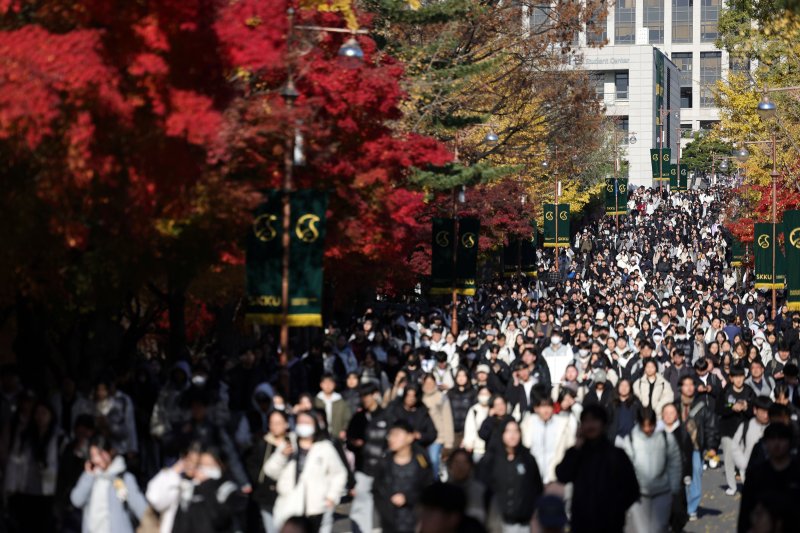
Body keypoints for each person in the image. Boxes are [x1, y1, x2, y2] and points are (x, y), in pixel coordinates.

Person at [555, 404, 639, 533]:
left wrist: (615, 509)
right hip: (581, 524)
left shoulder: (616, 454)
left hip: (610, 524)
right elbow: (562, 475)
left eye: (594, 420)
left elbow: (632, 490)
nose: (590, 425)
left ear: (603, 424)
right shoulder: (577, 452)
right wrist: (577, 446)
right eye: (586, 421)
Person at [264, 411, 348, 530]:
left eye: (307, 422)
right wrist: (281, 456)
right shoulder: (288, 443)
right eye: (300, 422)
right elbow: (270, 471)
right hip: (289, 506)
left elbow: (339, 473)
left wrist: (332, 497)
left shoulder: (324, 447)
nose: (303, 425)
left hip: (316, 508)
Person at [69, 434, 147, 533]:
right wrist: (88, 475)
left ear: (110, 451)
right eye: (93, 456)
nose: (97, 459)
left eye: (100, 454)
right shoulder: (91, 477)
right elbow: (77, 500)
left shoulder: (124, 478)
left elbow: (141, 508)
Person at [621, 406, 682, 533]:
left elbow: (675, 462)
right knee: (642, 530)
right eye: (644, 426)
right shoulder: (631, 440)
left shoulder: (665, 438)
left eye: (651, 425)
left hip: (663, 491)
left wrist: (674, 486)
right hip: (638, 494)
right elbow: (625, 469)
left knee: (659, 528)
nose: (648, 429)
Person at [477, 418, 543, 533]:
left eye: (516, 431)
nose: (512, 435)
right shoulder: (491, 459)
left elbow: (537, 487)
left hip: (523, 522)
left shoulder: (527, 459)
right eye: (508, 431)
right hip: (497, 522)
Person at [373, 420, 435, 533]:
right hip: (391, 523)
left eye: (396, 434)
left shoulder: (422, 461)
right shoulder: (384, 462)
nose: (391, 438)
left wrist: (408, 498)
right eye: (390, 435)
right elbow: (377, 489)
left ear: (410, 437)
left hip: (416, 522)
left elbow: (428, 487)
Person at [737, 423, 800, 533]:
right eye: (772, 439)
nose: (776, 443)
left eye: (781, 438)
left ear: (789, 442)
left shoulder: (797, 472)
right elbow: (745, 510)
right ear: (765, 443)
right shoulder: (756, 473)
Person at [171, 447, 248, 533]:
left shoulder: (227, 488)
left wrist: (206, 485)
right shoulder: (190, 490)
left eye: (210, 465)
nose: (205, 470)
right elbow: (181, 523)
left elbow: (220, 519)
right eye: (202, 465)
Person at [347, 383, 390, 533]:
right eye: (362, 396)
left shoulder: (386, 416)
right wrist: (355, 443)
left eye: (367, 395)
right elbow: (349, 440)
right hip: (363, 468)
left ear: (375, 394)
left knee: (387, 507)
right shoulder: (358, 418)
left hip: (383, 469)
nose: (364, 399)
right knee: (361, 507)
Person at [674, 375, 719, 520]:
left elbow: (710, 427)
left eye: (691, 384)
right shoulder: (674, 406)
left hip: (695, 448)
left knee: (695, 478)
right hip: (677, 448)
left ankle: (692, 508)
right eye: (685, 384)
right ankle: (680, 506)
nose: (688, 387)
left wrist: (712, 447)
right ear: (680, 387)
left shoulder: (701, 407)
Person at [243, 410, 291, 533]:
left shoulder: (292, 443)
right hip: (266, 494)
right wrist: (259, 480)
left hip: (287, 495)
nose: (274, 426)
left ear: (286, 424)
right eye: (272, 423)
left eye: (278, 423)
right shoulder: (262, 443)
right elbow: (252, 466)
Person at [717, 364, 755, 496]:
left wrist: (746, 407)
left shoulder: (749, 391)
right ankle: (732, 485)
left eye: (741, 376)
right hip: (728, 429)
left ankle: (747, 483)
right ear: (731, 378)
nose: (739, 379)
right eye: (735, 377)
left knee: (746, 458)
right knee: (729, 459)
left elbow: (754, 411)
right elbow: (718, 409)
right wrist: (731, 408)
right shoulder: (725, 390)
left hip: (746, 430)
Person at [146, 443, 201, 533]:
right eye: (189, 460)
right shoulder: (175, 482)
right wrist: (174, 472)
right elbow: (154, 498)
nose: (192, 466)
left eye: (197, 463)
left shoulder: (202, 485)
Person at [519, 396, 573, 483]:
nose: (546, 410)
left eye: (549, 406)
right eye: (543, 406)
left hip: (554, 477)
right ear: (536, 408)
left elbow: (570, 448)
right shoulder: (528, 424)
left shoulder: (563, 425)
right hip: (532, 476)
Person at [729, 395, 771, 486]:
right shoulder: (745, 426)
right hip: (749, 473)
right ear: (755, 410)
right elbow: (734, 445)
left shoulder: (775, 427)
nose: (766, 415)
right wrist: (742, 463)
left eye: (768, 412)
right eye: (763, 412)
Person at [421, 373, 455, 479]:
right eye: (426, 383)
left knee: (433, 461)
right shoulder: (419, 397)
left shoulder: (441, 397)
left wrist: (448, 442)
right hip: (421, 436)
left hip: (437, 437)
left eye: (431, 383)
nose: (429, 385)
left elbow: (447, 419)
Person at [446, 449, 487, 523]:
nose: (460, 467)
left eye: (464, 462)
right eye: (457, 462)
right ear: (450, 466)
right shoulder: (440, 493)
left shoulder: (484, 493)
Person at [313, 373, 352, 442]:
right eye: (325, 383)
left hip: (337, 435)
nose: (328, 385)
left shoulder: (340, 401)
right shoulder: (316, 401)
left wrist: (344, 430)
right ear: (321, 385)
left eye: (330, 383)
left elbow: (347, 418)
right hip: (320, 435)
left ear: (334, 385)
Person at [462, 387, 491, 462]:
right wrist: (469, 443)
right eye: (482, 394)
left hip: (491, 448)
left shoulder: (493, 409)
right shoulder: (474, 409)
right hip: (477, 448)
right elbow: (469, 428)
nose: (484, 396)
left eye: (486, 394)